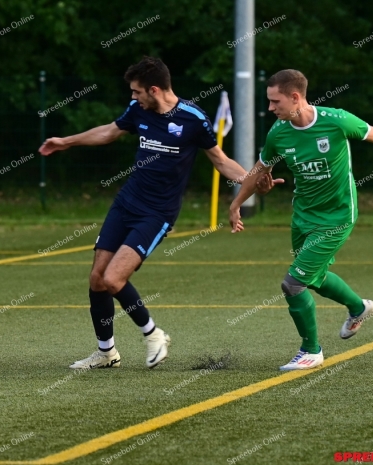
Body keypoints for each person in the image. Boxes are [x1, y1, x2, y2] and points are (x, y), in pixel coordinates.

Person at [38, 56, 278, 369]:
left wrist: (250, 181)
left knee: (113, 278)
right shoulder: (138, 110)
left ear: (154, 90)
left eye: (137, 91)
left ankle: (153, 335)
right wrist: (66, 142)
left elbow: (220, 161)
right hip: (126, 202)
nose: (132, 97)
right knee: (97, 278)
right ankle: (106, 352)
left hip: (157, 213)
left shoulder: (193, 118)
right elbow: (109, 132)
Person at [229, 69, 373, 371]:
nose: (271, 108)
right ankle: (358, 307)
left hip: (338, 215)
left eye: (275, 101)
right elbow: (259, 169)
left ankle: (311, 350)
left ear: (295, 97)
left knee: (293, 283)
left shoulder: (336, 120)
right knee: (314, 277)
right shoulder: (278, 132)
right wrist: (236, 204)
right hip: (302, 216)